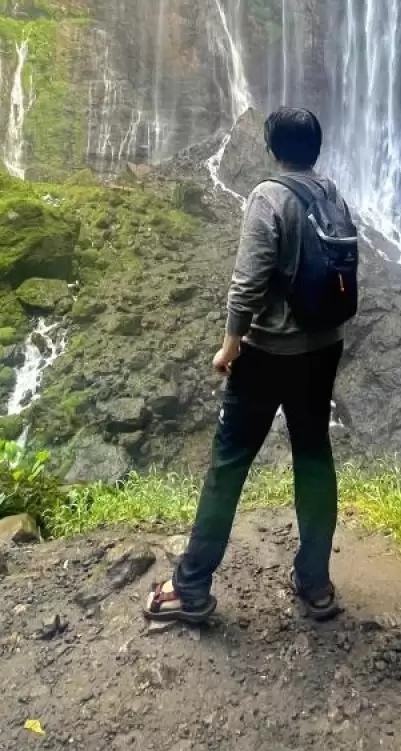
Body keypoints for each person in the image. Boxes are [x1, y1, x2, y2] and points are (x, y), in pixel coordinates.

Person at [144, 107, 358, 625]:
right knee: (313, 459)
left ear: (272, 148)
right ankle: (316, 583)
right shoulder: (332, 195)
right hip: (322, 348)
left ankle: (190, 587)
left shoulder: (269, 196)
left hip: (268, 354)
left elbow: (247, 283)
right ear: (317, 148)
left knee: (228, 466)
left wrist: (229, 344)